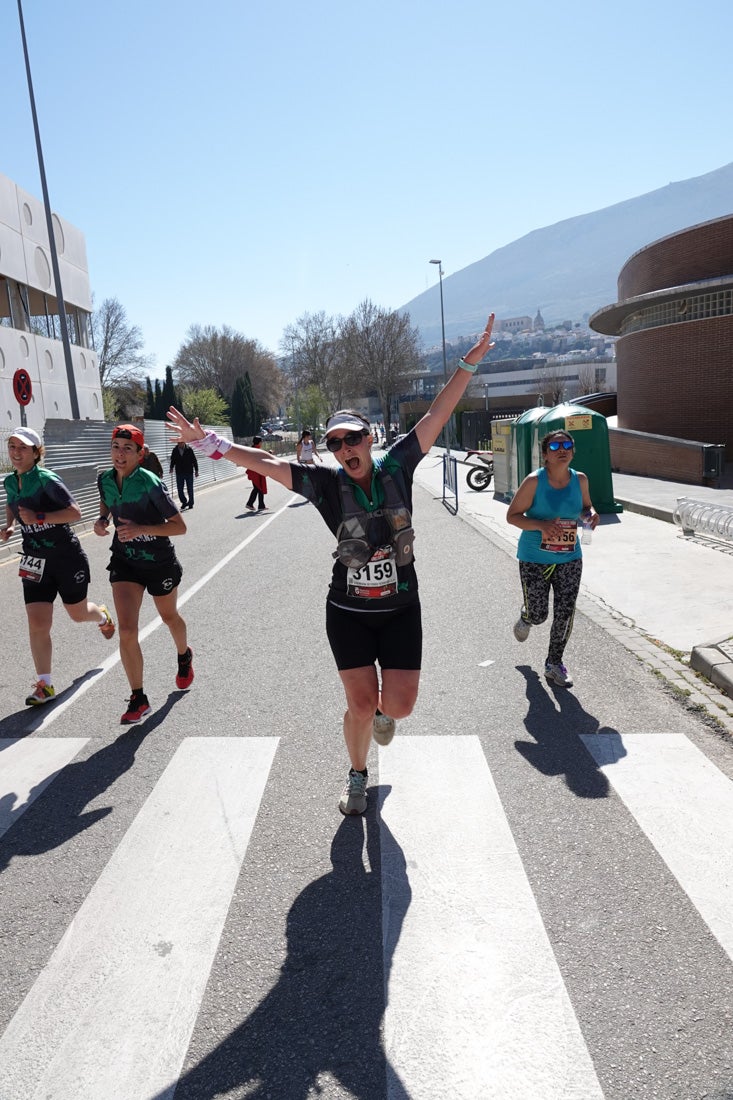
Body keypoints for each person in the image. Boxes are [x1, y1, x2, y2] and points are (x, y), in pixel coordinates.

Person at [166, 314, 495, 815]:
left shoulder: (397, 466)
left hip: (402, 607)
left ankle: (381, 715)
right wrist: (208, 441)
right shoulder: (323, 484)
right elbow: (265, 462)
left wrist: (469, 363)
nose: (344, 449)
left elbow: (436, 415)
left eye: (351, 439)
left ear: (368, 438)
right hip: (349, 611)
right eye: (334, 443)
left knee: (398, 706)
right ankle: (357, 773)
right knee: (361, 705)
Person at [1, 426, 115, 706]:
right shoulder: (9, 481)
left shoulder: (47, 479)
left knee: (77, 614)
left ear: (36, 452)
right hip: (32, 560)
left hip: (64, 555)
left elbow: (75, 512)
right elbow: (13, 506)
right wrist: (10, 526)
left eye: (23, 448)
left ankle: (101, 616)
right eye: (12, 447)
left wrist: (39, 516)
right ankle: (45, 685)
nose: (16, 453)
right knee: (38, 623)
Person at [95, 424, 193, 724]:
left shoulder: (150, 482)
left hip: (158, 562)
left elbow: (179, 526)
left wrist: (140, 529)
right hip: (125, 562)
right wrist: (101, 521)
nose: (120, 454)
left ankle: (184, 655)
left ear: (140, 453)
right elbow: (107, 504)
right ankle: (138, 698)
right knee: (127, 630)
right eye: (115, 447)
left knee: (168, 617)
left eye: (127, 449)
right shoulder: (105, 479)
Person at [506, 429, 599, 688]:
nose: (562, 449)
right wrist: (541, 525)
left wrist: (590, 515)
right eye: (555, 446)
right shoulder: (534, 482)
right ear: (545, 454)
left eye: (567, 444)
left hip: (570, 556)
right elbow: (512, 516)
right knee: (539, 615)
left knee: (565, 613)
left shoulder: (580, 480)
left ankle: (553, 663)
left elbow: (585, 507)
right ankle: (527, 616)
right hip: (535, 557)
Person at [169, 440, 199, 510]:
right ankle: (184, 502)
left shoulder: (189, 449)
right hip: (179, 472)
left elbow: (194, 460)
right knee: (180, 489)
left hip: (189, 472)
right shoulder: (175, 450)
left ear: (184, 442)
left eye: (181, 442)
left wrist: (196, 470)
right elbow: (173, 460)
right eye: (178, 442)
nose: (179, 444)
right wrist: (171, 467)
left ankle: (191, 503)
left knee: (190, 489)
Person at [245, 436, 268, 511]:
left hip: (255, 472)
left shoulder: (253, 449)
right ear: (259, 442)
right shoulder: (256, 450)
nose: (262, 443)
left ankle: (259, 505)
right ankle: (250, 503)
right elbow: (261, 459)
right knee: (258, 488)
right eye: (261, 442)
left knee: (257, 488)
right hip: (256, 472)